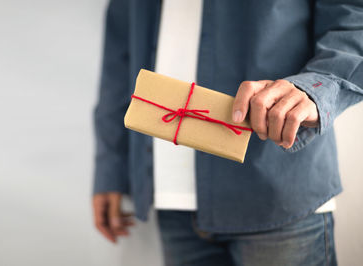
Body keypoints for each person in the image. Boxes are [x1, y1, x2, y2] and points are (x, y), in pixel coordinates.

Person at [92, 0, 363, 265]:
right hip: (169, 190)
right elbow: (119, 51)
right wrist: (111, 167)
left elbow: (353, 16)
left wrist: (318, 88)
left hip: (276, 186)